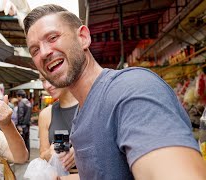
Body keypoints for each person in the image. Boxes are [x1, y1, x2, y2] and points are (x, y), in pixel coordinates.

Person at [24, 4, 206, 180]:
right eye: (35, 50)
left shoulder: (131, 89)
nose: (45, 52)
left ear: (83, 37)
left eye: (53, 37)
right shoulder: (82, 112)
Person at [39, 73, 78, 172]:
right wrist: (51, 152)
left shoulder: (90, 105)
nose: (47, 85)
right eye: (43, 80)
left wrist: (78, 151)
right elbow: (42, 155)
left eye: (52, 77)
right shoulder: (45, 114)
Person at [16, 89, 32, 157]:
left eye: (17, 96)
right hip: (27, 125)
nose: (17, 98)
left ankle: (22, 157)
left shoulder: (21, 103)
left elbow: (20, 115)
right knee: (27, 141)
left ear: (19, 96)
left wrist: (19, 125)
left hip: (22, 126)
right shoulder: (28, 102)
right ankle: (27, 156)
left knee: (21, 142)